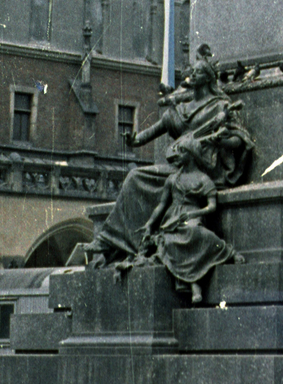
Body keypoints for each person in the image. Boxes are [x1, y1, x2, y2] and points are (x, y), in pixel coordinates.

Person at [89, 50, 254, 264]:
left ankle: (115, 240)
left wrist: (219, 141)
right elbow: (148, 134)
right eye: (191, 73)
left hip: (201, 169)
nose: (191, 76)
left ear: (208, 78)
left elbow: (239, 140)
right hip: (179, 166)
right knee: (134, 177)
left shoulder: (219, 107)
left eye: (197, 73)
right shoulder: (180, 109)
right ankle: (113, 240)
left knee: (137, 178)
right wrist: (133, 140)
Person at [138, 135, 241, 304]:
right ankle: (194, 285)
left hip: (194, 216)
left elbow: (212, 206)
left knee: (196, 232)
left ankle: (229, 253)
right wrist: (150, 223)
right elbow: (162, 205)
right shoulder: (172, 179)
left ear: (191, 154)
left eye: (181, 152)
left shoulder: (203, 179)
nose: (176, 156)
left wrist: (194, 214)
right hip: (173, 220)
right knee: (171, 242)